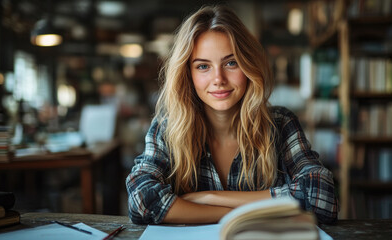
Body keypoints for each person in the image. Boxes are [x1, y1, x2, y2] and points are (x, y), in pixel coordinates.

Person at [126, 5, 338, 225]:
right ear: (187, 74)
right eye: (203, 66)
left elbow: (322, 196)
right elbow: (141, 200)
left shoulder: (281, 124)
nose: (218, 79)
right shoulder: (167, 130)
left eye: (231, 63)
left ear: (248, 65)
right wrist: (234, 214)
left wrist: (209, 198)